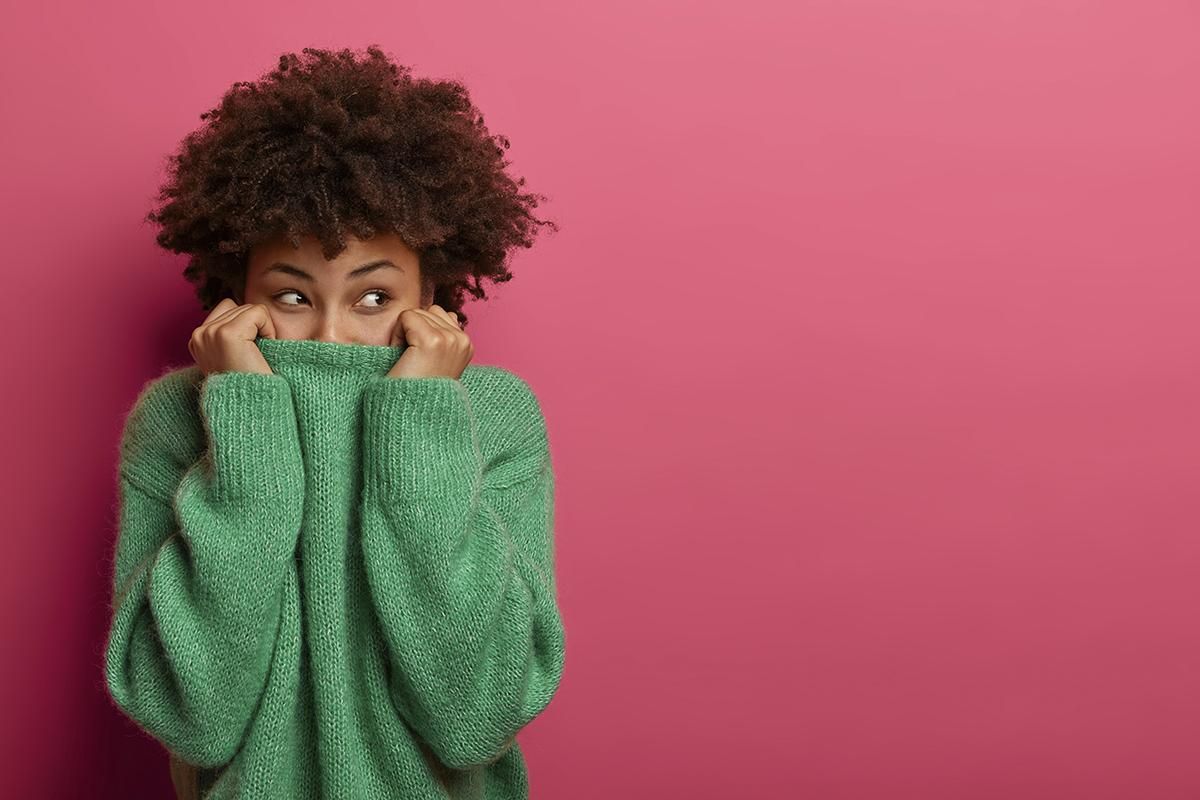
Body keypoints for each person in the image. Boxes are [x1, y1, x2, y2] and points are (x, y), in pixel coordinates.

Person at [103, 45, 565, 799]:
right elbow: (193, 716)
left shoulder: (493, 416)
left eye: (374, 298)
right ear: (237, 294)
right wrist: (248, 424)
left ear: (433, 294)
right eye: (291, 296)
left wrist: (417, 421)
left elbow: (476, 714)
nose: (330, 336)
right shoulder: (177, 419)